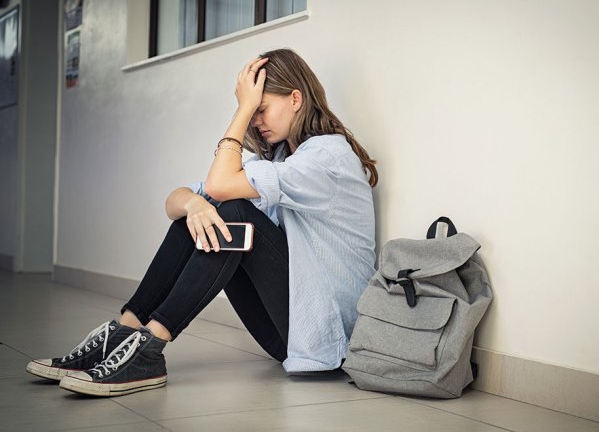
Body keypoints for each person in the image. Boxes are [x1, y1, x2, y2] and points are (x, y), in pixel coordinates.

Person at [25, 49, 378, 397]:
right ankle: (124, 332)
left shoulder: (327, 157)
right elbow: (175, 202)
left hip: (327, 335)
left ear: (296, 99)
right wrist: (194, 204)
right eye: (251, 113)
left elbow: (219, 186)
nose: (256, 121)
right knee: (195, 217)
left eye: (261, 109)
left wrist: (241, 110)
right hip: (290, 333)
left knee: (233, 213)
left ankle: (150, 348)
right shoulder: (282, 158)